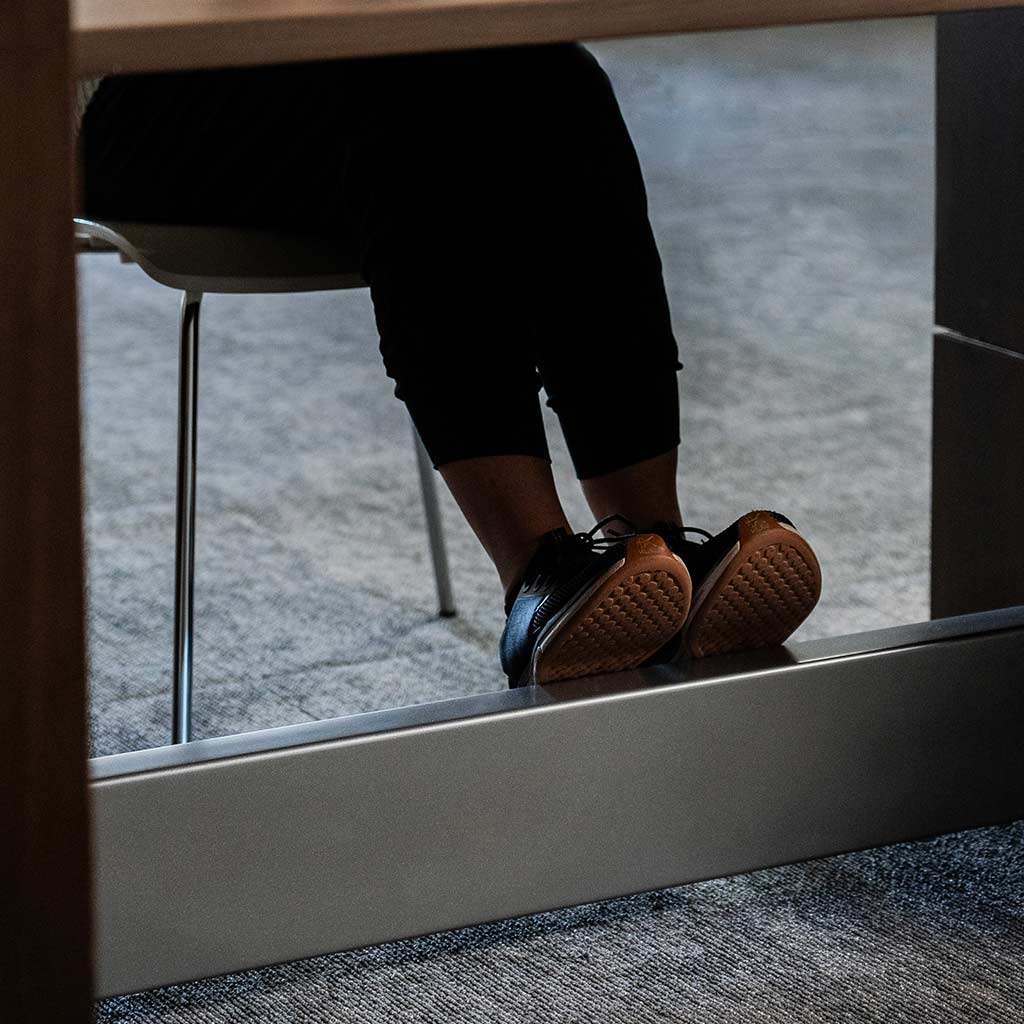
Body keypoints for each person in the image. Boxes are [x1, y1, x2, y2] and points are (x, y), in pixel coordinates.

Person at [78, 43, 822, 688]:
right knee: (417, 99)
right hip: (119, 95)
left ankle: (654, 548)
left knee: (558, 81)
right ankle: (538, 575)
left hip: (350, 65)